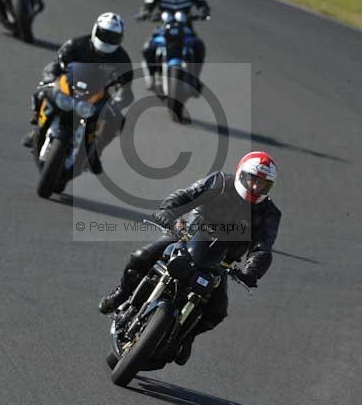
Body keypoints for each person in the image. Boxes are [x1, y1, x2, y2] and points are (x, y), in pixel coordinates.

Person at [99, 151, 281, 365]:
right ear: (242, 173)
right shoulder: (219, 182)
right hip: (187, 237)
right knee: (141, 257)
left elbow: (263, 247)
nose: (255, 187)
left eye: (263, 184)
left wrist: (252, 271)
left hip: (219, 263)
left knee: (217, 311)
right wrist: (169, 210)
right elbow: (187, 194)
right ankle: (122, 294)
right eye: (253, 179)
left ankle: (186, 338)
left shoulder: (269, 213)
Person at [23, 12, 134, 175]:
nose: (108, 40)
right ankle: (36, 127)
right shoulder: (77, 44)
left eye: (113, 37)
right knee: (42, 94)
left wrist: (120, 99)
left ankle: (95, 152)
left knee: (117, 120)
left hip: (97, 94)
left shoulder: (122, 59)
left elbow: (127, 87)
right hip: (71, 87)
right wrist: (50, 77)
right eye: (105, 35)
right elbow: (57, 62)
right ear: (96, 30)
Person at [136, 0, 210, 91]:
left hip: (185, 27)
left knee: (199, 47)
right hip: (163, 27)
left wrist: (203, 11)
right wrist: (145, 12)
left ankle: (194, 78)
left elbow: (201, 2)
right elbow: (149, 2)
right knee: (148, 48)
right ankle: (151, 77)